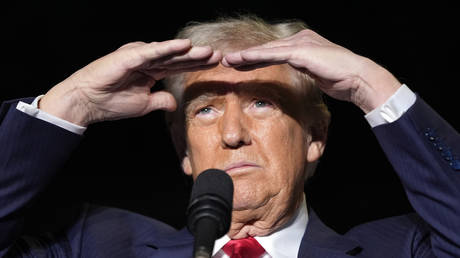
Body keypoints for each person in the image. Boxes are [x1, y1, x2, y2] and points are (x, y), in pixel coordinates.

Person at [1, 15, 459, 258]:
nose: (233, 134)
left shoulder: (401, 249)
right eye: (206, 110)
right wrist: (71, 101)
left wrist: (371, 83)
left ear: (315, 136)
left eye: (263, 102)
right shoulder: (95, 243)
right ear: (184, 152)